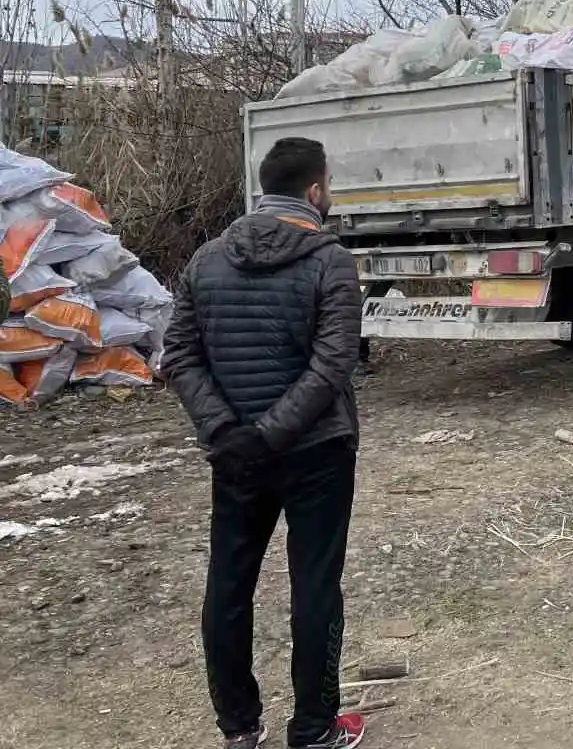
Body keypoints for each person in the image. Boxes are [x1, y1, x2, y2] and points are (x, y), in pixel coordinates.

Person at [164, 137, 366, 749]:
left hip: (235, 459)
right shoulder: (331, 262)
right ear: (314, 191)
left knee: (229, 585)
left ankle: (238, 730)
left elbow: (179, 355)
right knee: (314, 585)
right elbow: (333, 364)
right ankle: (313, 731)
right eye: (327, 184)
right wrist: (270, 433)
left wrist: (225, 432)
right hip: (317, 453)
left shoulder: (206, 259)